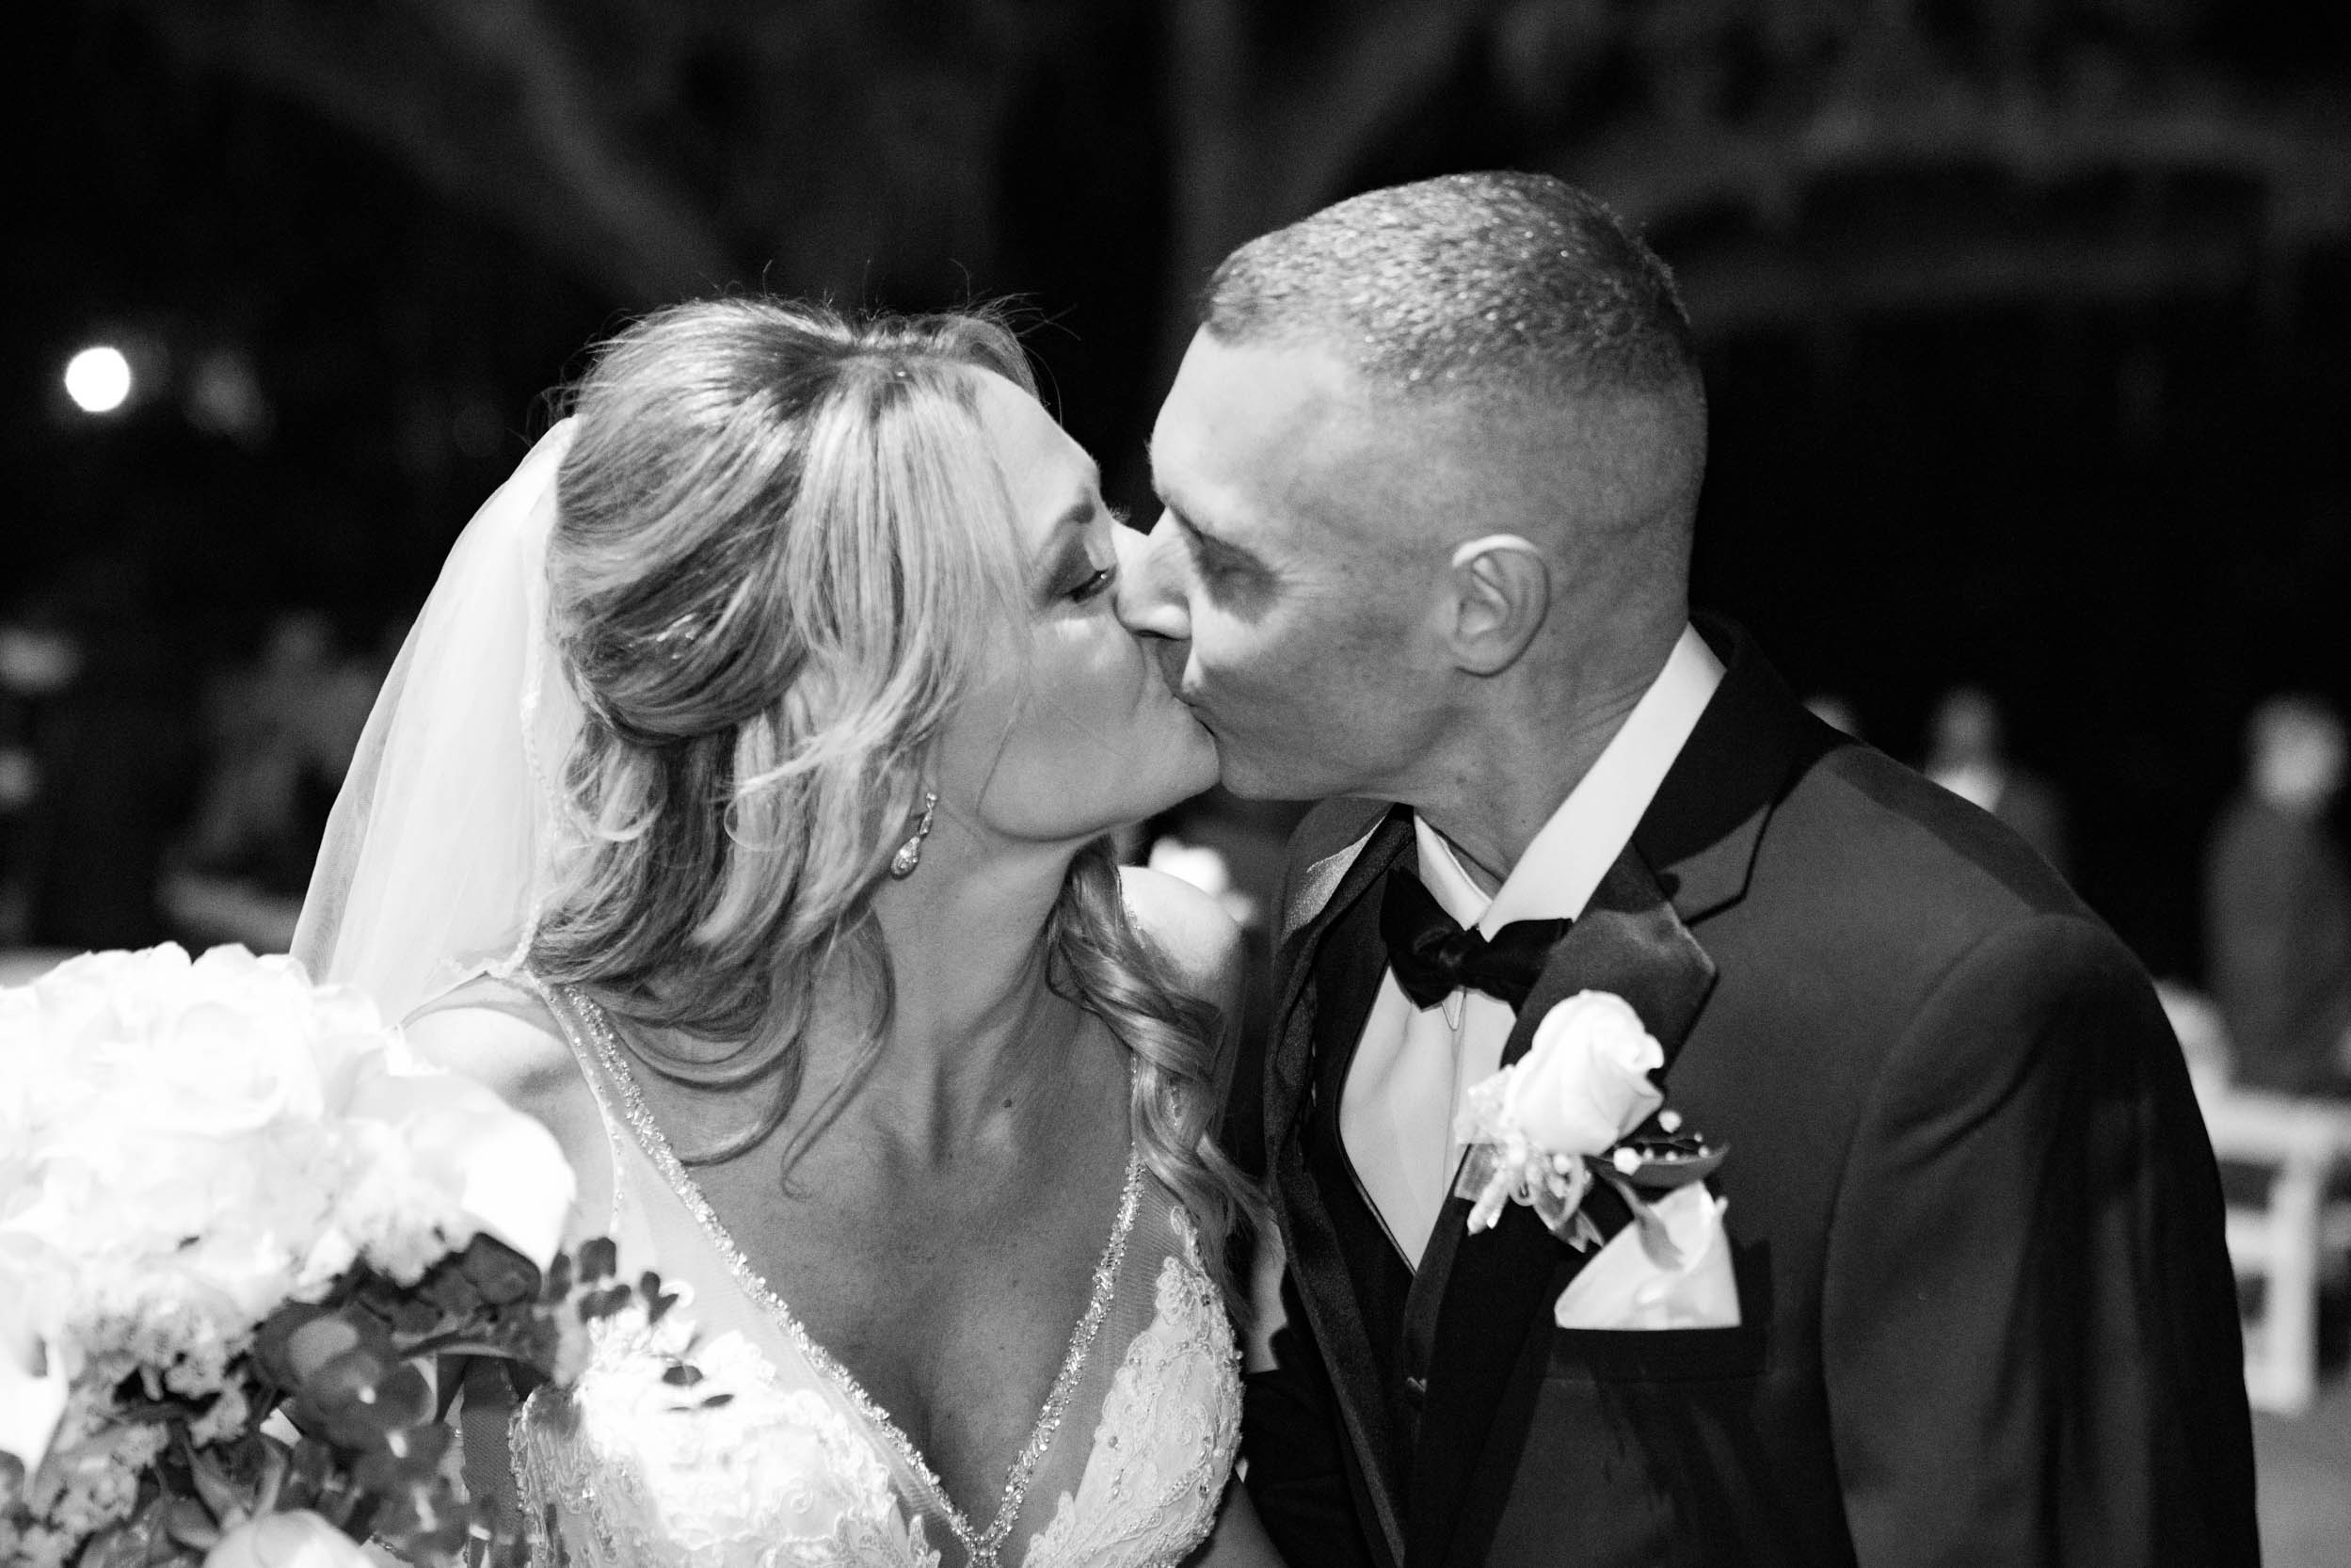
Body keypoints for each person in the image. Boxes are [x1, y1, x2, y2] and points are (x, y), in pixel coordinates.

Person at [1118, 172, 2256, 1567]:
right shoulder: (1338, 889)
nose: (1140, 584)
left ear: (1482, 608)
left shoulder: (1967, 1006)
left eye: (1225, 563)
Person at [295, 300, 1285, 1568]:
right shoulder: (495, 1119)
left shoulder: (1175, 993)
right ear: (867, 712)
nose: (1165, 579)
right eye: (1078, 576)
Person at [2204, 693, 2351, 1096]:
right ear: (2285, 754)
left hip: (2298, 1053)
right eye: (2328, 753)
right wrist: (2327, 1042)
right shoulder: (2267, 841)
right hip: (2290, 1064)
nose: (2337, 772)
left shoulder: (2289, 834)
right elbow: (2265, 964)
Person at [1922, 682, 2070, 879]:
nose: (1963, 730)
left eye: (1974, 720)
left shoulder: (2028, 805)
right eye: (1957, 720)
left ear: (1993, 729)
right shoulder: (1905, 789)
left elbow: (2052, 885)